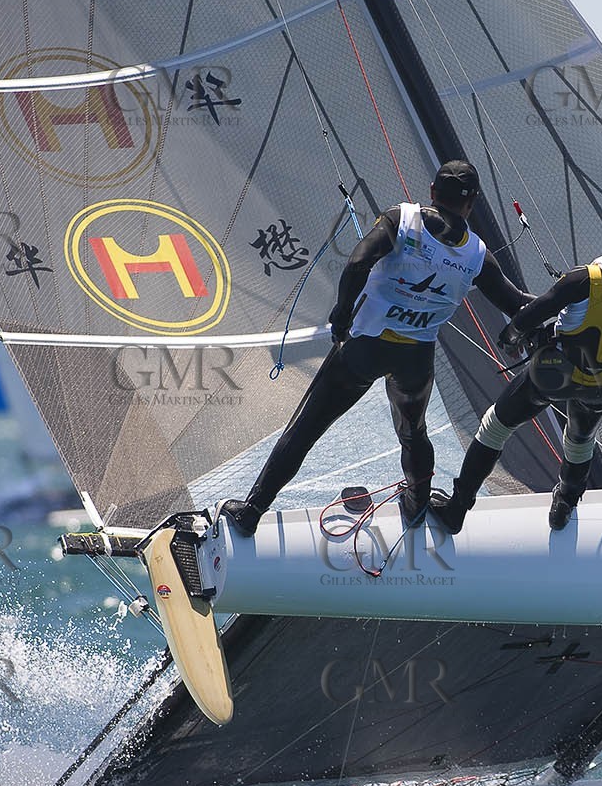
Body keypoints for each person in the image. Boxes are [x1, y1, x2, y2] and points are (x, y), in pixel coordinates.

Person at [219, 160, 530, 536]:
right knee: (414, 433)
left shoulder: (404, 218)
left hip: (365, 348)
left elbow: (357, 263)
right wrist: (566, 303)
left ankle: (252, 512)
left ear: (432, 191)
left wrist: (341, 313)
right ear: (473, 202)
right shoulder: (477, 255)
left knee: (305, 428)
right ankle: (416, 508)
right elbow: (516, 304)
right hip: (416, 360)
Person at [430, 191, 602, 534]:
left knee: (497, 425)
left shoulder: (584, 278)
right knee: (580, 440)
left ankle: (457, 509)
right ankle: (563, 505)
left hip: (555, 374)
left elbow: (530, 315)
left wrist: (510, 339)